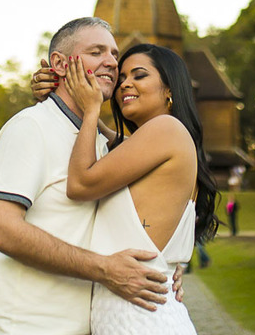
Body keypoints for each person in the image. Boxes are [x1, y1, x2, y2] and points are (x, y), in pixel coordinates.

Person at [0, 17, 171, 335]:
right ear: (58, 62)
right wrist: (104, 268)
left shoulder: (97, 141)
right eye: (96, 52)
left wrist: (171, 267)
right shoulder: (31, 126)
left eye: (114, 54)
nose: (111, 62)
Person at [64, 43, 220, 334]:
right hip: (141, 315)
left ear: (169, 89)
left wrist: (89, 110)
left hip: (143, 320)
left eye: (139, 75)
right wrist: (62, 95)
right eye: (122, 77)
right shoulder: (158, 138)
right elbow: (111, 141)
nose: (125, 84)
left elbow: (80, 183)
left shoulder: (165, 129)